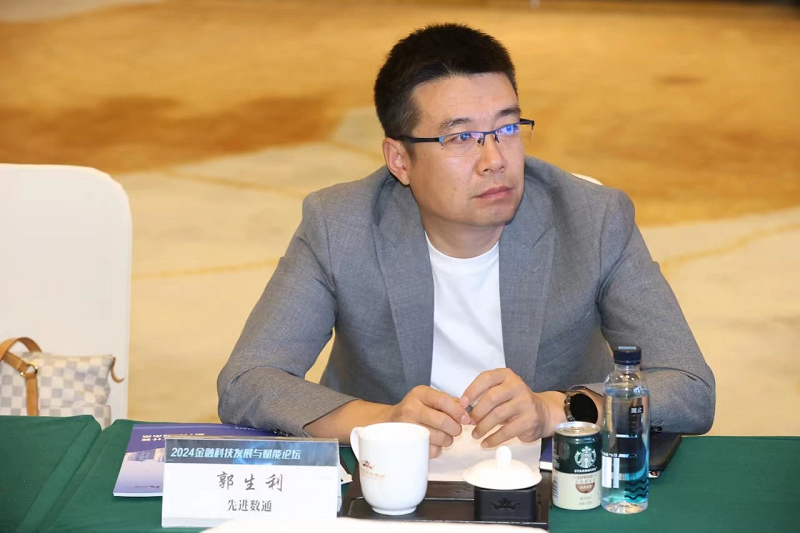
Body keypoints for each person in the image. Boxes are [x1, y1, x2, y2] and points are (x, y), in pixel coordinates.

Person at [217, 23, 715, 458]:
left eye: (507, 128)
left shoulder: (593, 220)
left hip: (549, 477)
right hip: (390, 476)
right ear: (399, 160)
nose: (494, 160)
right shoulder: (340, 225)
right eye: (460, 138)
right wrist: (384, 421)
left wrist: (557, 409)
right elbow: (248, 381)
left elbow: (689, 387)